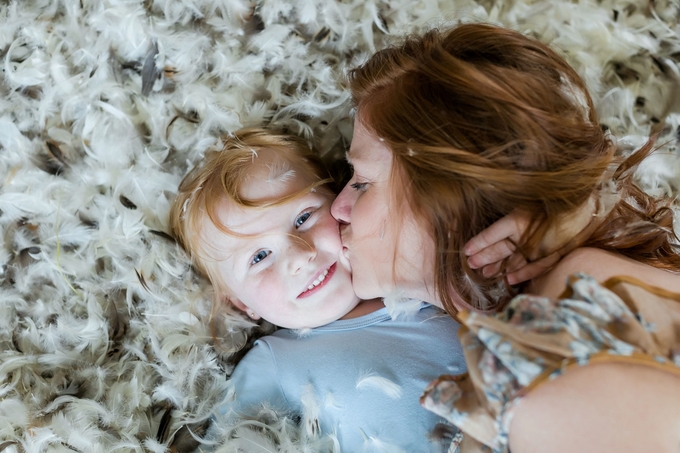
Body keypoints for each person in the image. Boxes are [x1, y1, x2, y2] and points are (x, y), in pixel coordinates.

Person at [330, 23, 680, 453]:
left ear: (450, 194)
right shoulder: (565, 304)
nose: (337, 208)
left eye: (362, 182)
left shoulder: (576, 322)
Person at [168, 128, 469, 451]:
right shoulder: (276, 361)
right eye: (259, 256)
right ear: (242, 303)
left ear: (339, 201)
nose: (299, 256)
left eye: (303, 218)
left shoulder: (417, 266)